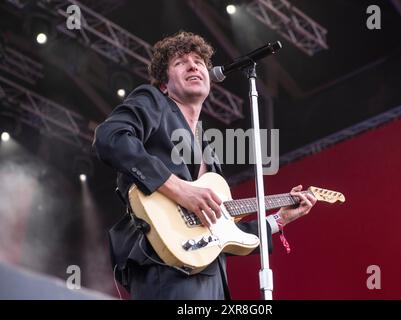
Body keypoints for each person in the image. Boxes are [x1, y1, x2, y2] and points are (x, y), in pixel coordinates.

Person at [93, 31, 317, 300]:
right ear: (164, 85)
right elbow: (110, 138)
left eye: (199, 61)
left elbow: (222, 231)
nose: (193, 65)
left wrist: (280, 219)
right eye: (180, 62)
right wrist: (178, 189)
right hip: (166, 267)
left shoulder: (206, 146)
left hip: (211, 277)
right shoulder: (153, 101)